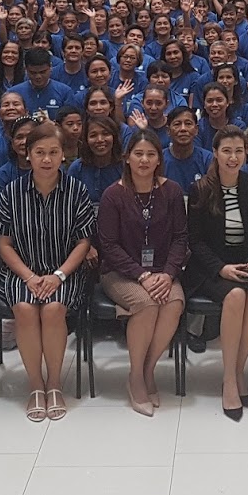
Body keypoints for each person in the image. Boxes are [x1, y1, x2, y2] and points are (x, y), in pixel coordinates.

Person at [0, 122, 97, 422]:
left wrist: (58, 276)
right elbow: (4, 244)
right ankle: (35, 386)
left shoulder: (76, 190)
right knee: (25, 309)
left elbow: (83, 241)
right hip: (22, 270)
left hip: (64, 271)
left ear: (63, 155)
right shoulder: (12, 192)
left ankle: (54, 384)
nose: (47, 159)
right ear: (28, 155)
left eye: (53, 152)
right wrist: (28, 276)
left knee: (53, 310)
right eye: (40, 152)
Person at [97, 129, 189, 415]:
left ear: (159, 160)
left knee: (174, 301)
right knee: (146, 304)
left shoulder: (171, 191)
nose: (144, 160)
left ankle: (148, 370)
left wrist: (168, 273)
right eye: (138, 154)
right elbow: (108, 245)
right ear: (127, 158)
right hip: (120, 272)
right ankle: (136, 377)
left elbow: (180, 238)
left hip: (162, 271)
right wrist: (142, 275)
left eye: (151, 154)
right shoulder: (114, 194)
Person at [183, 126, 248, 420]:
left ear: (245, 153)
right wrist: (221, 267)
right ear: (216, 153)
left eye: (238, 151)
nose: (233, 157)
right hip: (210, 267)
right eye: (226, 151)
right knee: (235, 296)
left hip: (246, 262)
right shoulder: (201, 188)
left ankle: (236, 371)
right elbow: (194, 240)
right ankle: (230, 383)